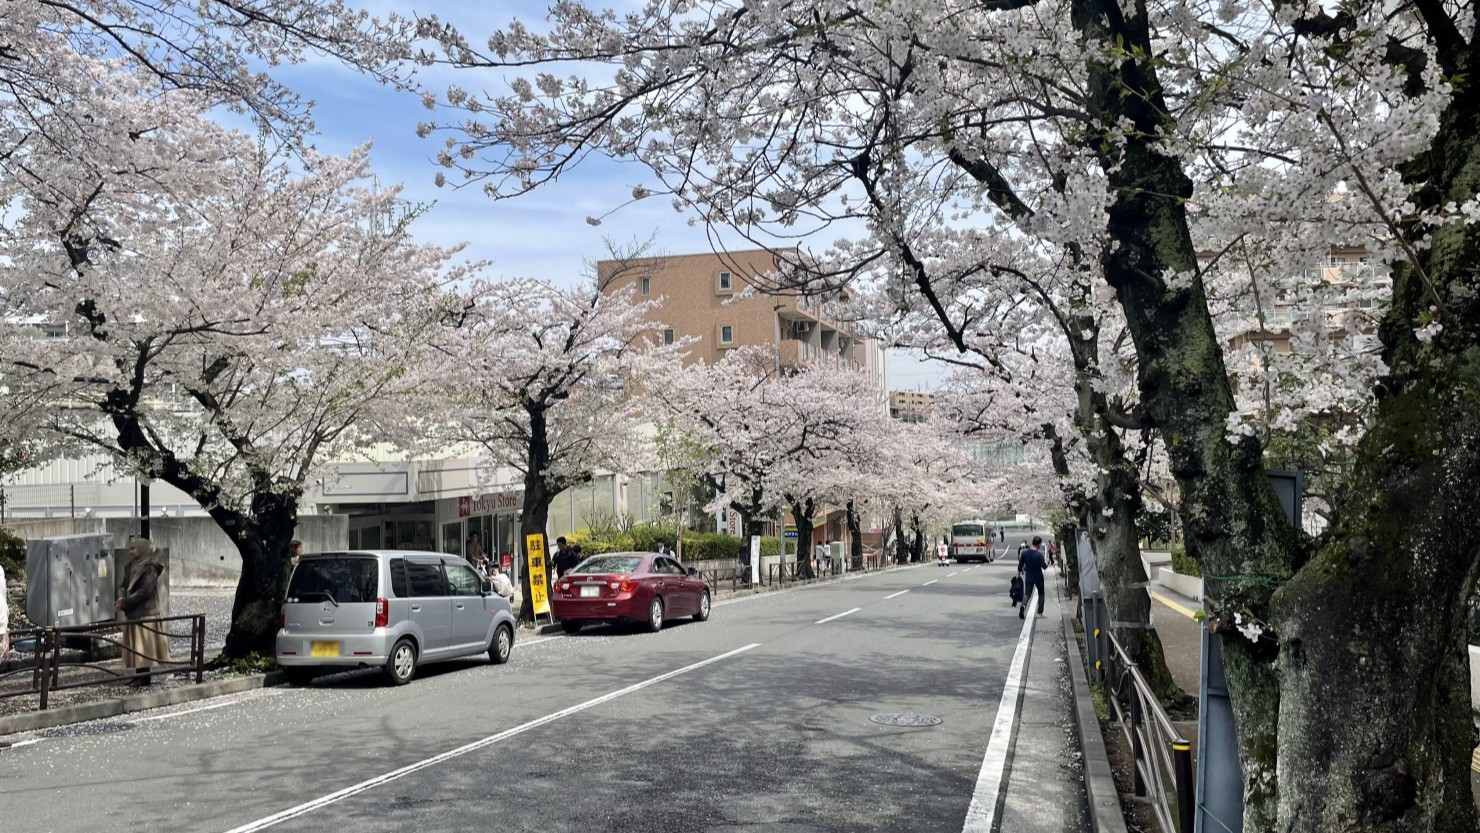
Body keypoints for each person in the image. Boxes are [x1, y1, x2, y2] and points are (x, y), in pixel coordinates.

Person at [115, 538, 169, 686]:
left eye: (133, 548)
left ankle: (144, 677)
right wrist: (121, 596)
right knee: (136, 647)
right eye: (130, 548)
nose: (130, 552)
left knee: (144, 647)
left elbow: (146, 591)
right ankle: (139, 674)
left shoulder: (150, 567)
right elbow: (123, 584)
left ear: (141, 549)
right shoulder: (130, 566)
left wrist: (126, 602)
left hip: (146, 613)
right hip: (133, 612)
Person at [1017, 536, 1048, 620]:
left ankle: (1023, 607)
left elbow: (1020, 565)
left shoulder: (1025, 553)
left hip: (1029, 576)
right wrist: (1047, 562)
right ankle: (1040, 612)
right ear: (1039, 545)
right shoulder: (1039, 555)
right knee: (1041, 594)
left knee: (1027, 594)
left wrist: (1019, 574)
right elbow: (1044, 567)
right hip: (1038, 577)